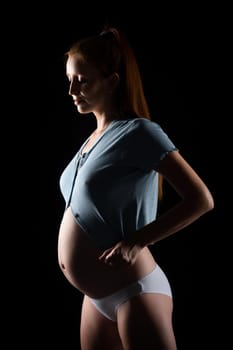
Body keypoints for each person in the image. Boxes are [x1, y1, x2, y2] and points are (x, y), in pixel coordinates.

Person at [57, 26, 214, 350]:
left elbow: (201, 199)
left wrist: (136, 242)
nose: (72, 89)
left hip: (134, 290)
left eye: (83, 80)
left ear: (112, 81)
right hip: (96, 297)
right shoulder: (90, 141)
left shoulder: (139, 133)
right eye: (70, 79)